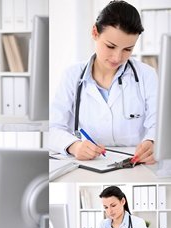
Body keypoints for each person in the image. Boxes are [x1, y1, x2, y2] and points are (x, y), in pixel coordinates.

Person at [49, 2, 157, 163]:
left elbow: (160, 125)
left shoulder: (147, 75)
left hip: (135, 165)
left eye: (127, 49)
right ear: (95, 32)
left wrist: (152, 141)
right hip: (89, 164)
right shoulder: (71, 76)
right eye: (110, 46)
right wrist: (74, 146)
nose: (117, 57)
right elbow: (52, 128)